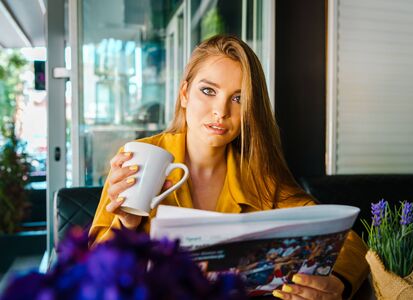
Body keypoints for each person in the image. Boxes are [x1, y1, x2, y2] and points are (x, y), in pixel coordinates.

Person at [89, 35, 369, 299]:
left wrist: (338, 284)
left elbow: (349, 241)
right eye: (208, 91)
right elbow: (93, 274)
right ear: (185, 94)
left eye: (238, 98)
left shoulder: (258, 175)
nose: (221, 111)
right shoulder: (140, 157)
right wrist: (127, 224)